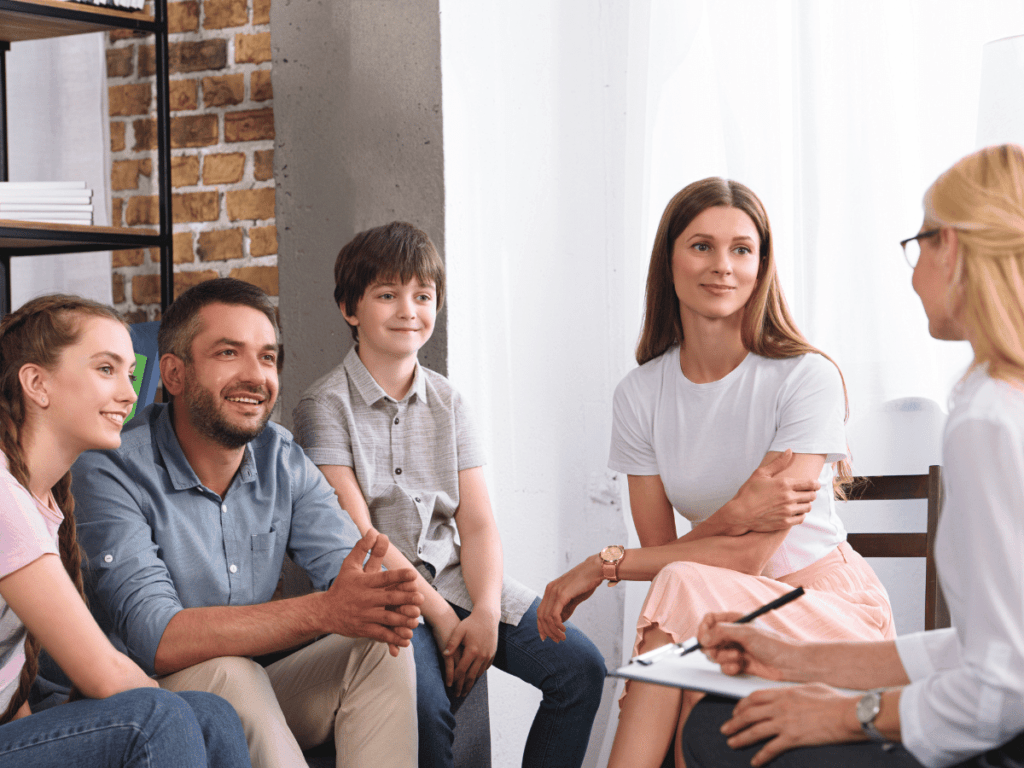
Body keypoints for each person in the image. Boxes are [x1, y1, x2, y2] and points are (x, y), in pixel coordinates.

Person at [684, 144, 1024, 768]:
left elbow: (1004, 688)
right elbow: (994, 649)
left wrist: (846, 712)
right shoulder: (998, 403)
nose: (912, 266)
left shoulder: (989, 418)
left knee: (721, 731)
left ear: (953, 245)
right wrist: (792, 658)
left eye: (919, 240)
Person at [536, 178, 895, 767]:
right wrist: (734, 514)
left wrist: (602, 566)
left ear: (762, 264)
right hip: (717, 608)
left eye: (742, 249)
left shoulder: (806, 378)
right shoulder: (640, 395)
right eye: (702, 246)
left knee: (681, 595)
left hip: (824, 608)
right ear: (669, 260)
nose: (722, 266)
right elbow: (667, 553)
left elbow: (741, 560)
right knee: (685, 616)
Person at [71, 278, 423, 768]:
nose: (255, 375)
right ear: (174, 373)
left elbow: (359, 582)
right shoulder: (110, 468)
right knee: (232, 674)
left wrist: (375, 600)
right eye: (228, 353)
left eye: (267, 356)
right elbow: (157, 638)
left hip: (251, 691)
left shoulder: (281, 456)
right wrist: (324, 611)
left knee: (377, 650)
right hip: (142, 706)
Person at [291, 221, 607, 768]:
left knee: (580, 668)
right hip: (385, 590)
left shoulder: (449, 401)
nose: (408, 310)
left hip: (458, 578)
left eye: (423, 295)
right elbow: (361, 537)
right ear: (350, 308)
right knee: (425, 712)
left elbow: (479, 524)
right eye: (387, 295)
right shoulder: (322, 406)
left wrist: (485, 611)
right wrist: (440, 616)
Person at [0, 294, 250, 767]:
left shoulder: (40, 502)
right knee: (158, 717)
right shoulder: (3, 495)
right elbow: (102, 675)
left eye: (130, 373)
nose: (131, 394)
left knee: (210, 713)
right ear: (36, 382)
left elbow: (10, 687)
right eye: (105, 369)